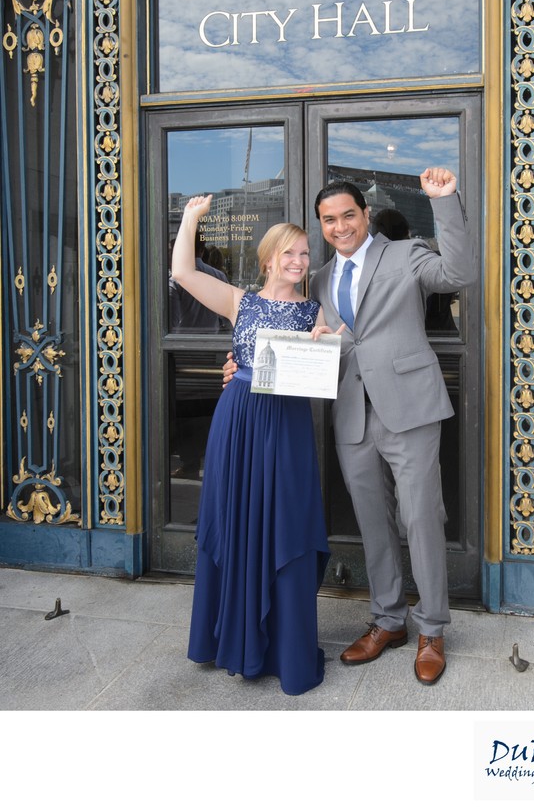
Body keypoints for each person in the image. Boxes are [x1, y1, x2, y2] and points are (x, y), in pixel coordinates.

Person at [224, 166, 475, 685]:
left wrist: (445, 201)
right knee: (373, 522)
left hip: (410, 408)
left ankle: (431, 629)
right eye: (328, 220)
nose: (339, 227)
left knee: (421, 518)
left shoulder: (405, 255)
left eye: (347, 216)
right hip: (351, 414)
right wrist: (240, 365)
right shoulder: (315, 278)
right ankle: (388, 621)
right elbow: (282, 334)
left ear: (365, 215)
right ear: (321, 225)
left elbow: (460, 273)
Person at [171, 194, 330, 695]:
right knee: (234, 519)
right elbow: (183, 273)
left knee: (287, 521)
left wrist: (326, 341)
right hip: (238, 417)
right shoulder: (241, 300)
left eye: (305, 254)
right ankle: (232, 641)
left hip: (286, 425)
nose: (299, 262)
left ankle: (287, 648)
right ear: (268, 259)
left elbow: (329, 361)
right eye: (290, 253)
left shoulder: (315, 310)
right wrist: (191, 220)